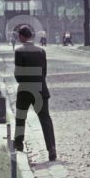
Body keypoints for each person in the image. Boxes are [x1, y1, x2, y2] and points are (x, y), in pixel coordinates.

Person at [13, 24, 57, 162]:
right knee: (45, 119)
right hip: (40, 89)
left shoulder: (19, 51)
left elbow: (18, 74)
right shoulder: (41, 51)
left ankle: (19, 144)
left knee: (21, 117)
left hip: (25, 89)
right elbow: (44, 72)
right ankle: (51, 148)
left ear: (21, 36)